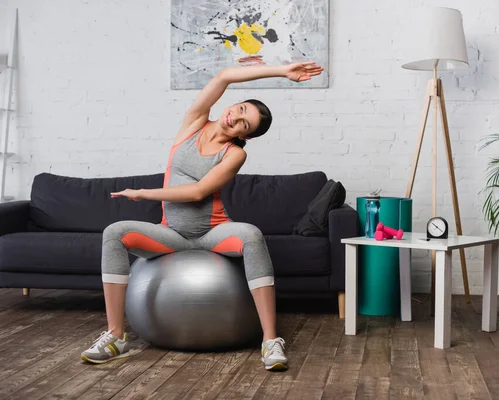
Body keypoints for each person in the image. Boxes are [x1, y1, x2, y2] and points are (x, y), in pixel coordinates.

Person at [80, 62, 324, 371]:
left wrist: (143, 193)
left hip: (212, 233)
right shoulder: (194, 122)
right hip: (171, 233)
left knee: (250, 234)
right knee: (114, 232)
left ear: (244, 137)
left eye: (243, 124)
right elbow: (224, 76)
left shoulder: (235, 154)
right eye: (239, 109)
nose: (234, 118)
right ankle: (116, 336)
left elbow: (197, 192)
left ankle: (270, 341)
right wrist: (281, 71)